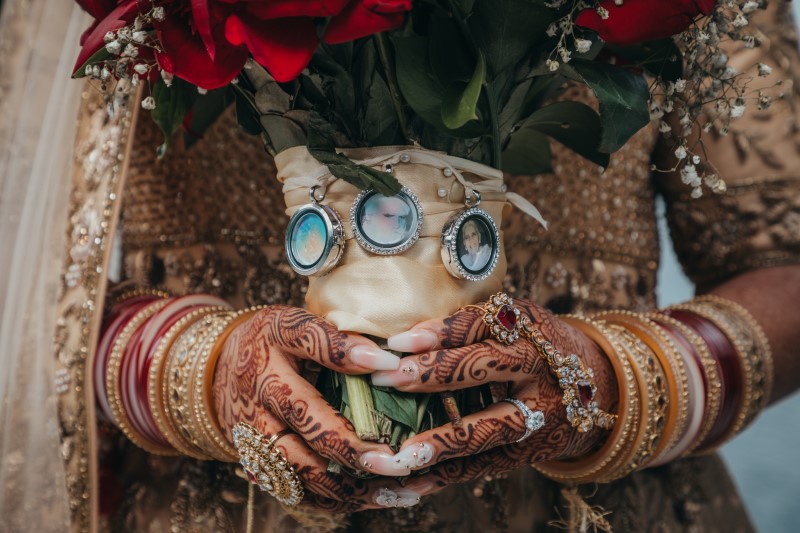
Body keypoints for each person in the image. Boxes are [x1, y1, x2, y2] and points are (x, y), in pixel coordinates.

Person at [1, 2, 799, 533]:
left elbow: (784, 263)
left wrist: (618, 380)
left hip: (592, 503)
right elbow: (17, 264)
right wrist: (194, 372)